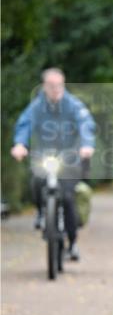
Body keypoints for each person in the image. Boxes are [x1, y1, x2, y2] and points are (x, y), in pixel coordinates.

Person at [11, 68, 96, 261]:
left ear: (63, 85)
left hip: (69, 159)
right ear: (44, 87)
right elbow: (25, 123)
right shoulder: (37, 106)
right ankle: (42, 212)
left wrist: (87, 145)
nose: (56, 89)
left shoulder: (73, 105)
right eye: (51, 86)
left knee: (67, 199)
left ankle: (72, 243)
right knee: (36, 181)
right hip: (45, 156)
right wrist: (20, 144)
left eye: (59, 85)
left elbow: (86, 123)